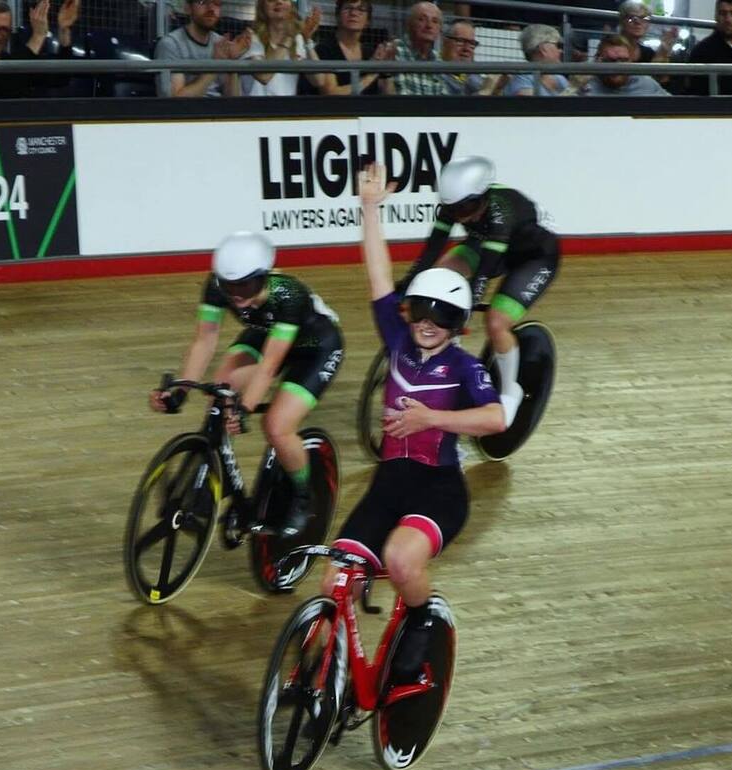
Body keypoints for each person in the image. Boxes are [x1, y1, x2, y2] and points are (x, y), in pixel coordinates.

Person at [327, 161, 504, 683]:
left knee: (401, 563)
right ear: (409, 314)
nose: (429, 324)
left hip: (438, 490)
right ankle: (329, 674)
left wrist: (435, 417)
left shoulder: (466, 367)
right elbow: (379, 275)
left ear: (460, 326)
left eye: (442, 318)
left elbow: (496, 419)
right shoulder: (399, 339)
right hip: (388, 486)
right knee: (332, 579)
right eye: (421, 312)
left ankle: (423, 623)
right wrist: (369, 208)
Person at [150, 232, 344, 537]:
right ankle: (206, 478)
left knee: (277, 426)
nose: (237, 295)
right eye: (229, 286)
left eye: (247, 285)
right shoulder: (216, 286)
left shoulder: (288, 294)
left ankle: (302, 497)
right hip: (266, 331)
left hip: (315, 346)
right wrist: (181, 390)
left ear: (264, 277)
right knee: (221, 387)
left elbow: (268, 367)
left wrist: (244, 408)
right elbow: (204, 341)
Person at [396, 156, 559, 428]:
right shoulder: (456, 206)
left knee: (496, 321)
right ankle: (445, 353)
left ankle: (510, 392)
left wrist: (463, 311)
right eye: (455, 209)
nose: (462, 215)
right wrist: (408, 286)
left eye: (468, 207)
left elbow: (485, 272)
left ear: (483, 195)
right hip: (488, 246)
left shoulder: (501, 213)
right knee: (434, 277)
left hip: (534, 257)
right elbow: (431, 251)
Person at [154, 0, 251, 98]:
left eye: (216, 4)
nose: (211, 9)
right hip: (192, 112)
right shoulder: (171, 44)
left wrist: (232, 63)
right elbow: (175, 101)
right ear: (187, 8)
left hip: (220, 111)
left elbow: (233, 99)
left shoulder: (220, 43)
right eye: (202, 2)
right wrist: (216, 64)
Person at [243, 0, 324, 97]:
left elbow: (319, 80)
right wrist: (289, 37)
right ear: (262, 7)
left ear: (291, 6)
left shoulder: (297, 38)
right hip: (254, 108)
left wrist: (307, 40)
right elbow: (264, 76)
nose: (278, 1)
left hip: (286, 109)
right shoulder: (250, 37)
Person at [316, 0, 393, 96]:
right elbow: (331, 93)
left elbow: (389, 95)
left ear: (368, 21)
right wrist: (372, 74)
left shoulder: (371, 52)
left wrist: (387, 68)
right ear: (338, 16)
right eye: (348, 8)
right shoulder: (324, 49)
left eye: (361, 9)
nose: (354, 13)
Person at [501, 23, 577, 96]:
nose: (560, 51)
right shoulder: (522, 77)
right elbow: (534, 106)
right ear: (543, 49)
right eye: (557, 45)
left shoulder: (559, 78)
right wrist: (573, 87)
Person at [581, 33, 669, 94]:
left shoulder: (646, 83)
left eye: (623, 60)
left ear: (631, 61)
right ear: (598, 60)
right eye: (611, 61)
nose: (617, 67)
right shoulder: (584, 84)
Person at [390, 1, 445, 96]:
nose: (429, 26)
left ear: (440, 29)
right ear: (409, 24)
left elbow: (443, 100)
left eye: (435, 21)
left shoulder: (438, 60)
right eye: (422, 19)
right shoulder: (394, 50)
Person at [440, 18, 501, 95]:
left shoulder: (472, 74)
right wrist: (485, 92)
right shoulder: (435, 73)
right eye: (460, 41)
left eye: (472, 43)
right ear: (445, 42)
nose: (467, 49)